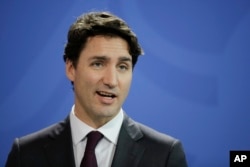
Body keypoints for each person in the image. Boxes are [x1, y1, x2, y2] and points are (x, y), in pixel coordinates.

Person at [5, 11, 188, 167]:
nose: (111, 81)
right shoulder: (25, 154)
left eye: (122, 67)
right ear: (71, 69)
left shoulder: (165, 155)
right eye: (98, 64)